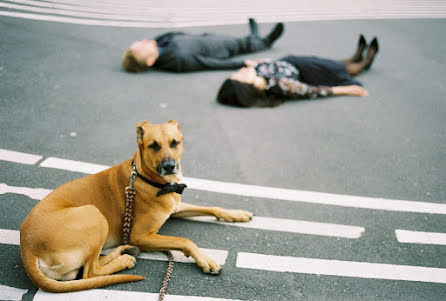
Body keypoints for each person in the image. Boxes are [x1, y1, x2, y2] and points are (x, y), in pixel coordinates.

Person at [217, 35, 379, 107]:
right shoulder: (279, 85)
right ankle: (364, 61)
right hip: (305, 70)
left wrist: (258, 64)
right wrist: (347, 90)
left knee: (334, 64)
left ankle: (356, 56)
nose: (242, 70)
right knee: (340, 69)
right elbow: (311, 91)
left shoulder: (257, 74)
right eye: (241, 76)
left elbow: (263, 66)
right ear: (245, 88)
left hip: (294, 61)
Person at [122, 18, 284, 73]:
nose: (144, 40)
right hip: (218, 50)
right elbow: (207, 64)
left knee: (240, 41)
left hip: (208, 39)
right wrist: (242, 63)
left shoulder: (158, 42)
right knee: (242, 45)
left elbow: (176, 34)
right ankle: (266, 42)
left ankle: (254, 35)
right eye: (142, 46)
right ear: (150, 61)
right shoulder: (178, 60)